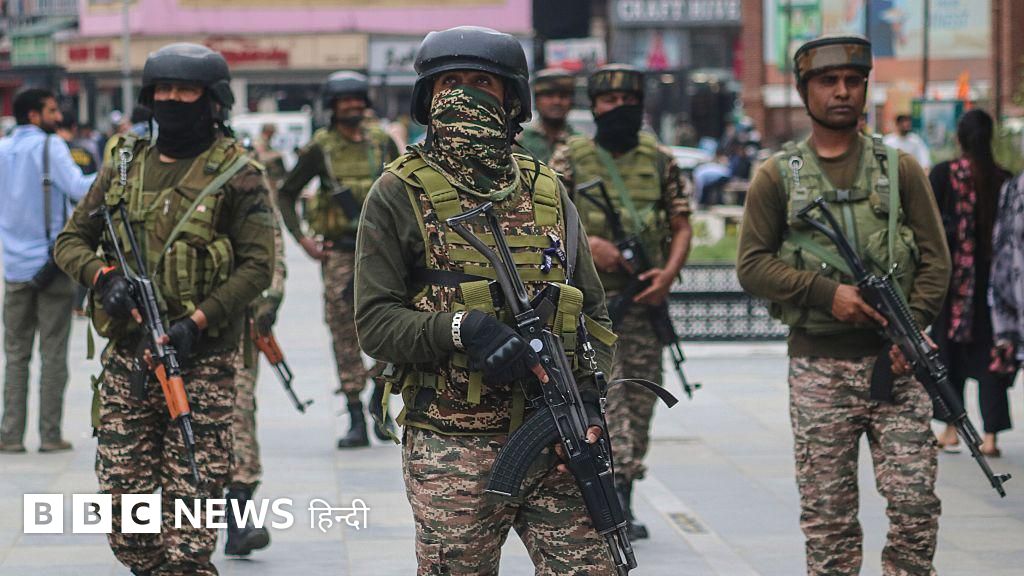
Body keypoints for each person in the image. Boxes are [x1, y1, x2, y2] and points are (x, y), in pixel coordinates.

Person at [354, 26, 619, 574]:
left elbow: (593, 314)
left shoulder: (548, 189)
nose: (465, 95)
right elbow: (375, 323)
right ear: (428, 97)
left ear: (511, 99)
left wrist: (590, 402)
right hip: (452, 446)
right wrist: (460, 329)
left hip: (556, 438)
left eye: (482, 82)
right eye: (449, 82)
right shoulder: (398, 192)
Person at [54, 43, 275, 576]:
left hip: (202, 365)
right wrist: (104, 278)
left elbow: (257, 267)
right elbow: (70, 241)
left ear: (212, 100)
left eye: (186, 90)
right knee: (126, 520)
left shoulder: (238, 173)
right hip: (129, 363)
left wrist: (197, 321)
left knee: (190, 528)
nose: (172, 100)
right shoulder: (123, 164)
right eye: (163, 90)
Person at [737, 35, 950, 575]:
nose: (842, 92)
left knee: (916, 509)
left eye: (854, 81)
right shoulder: (777, 176)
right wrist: (826, 294)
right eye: (828, 81)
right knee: (828, 522)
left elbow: (937, 261)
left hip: (898, 367)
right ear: (803, 91)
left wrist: (912, 329)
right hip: (820, 370)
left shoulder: (900, 169)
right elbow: (752, 265)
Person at [548, 63, 693, 541]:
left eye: (628, 101)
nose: (619, 109)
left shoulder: (660, 160)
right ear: (594, 106)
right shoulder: (571, 157)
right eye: (609, 101)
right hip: (593, 309)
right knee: (607, 402)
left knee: (643, 399)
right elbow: (545, 222)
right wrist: (589, 246)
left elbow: (682, 224)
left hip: (644, 305)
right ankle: (614, 498)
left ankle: (626, 488)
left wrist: (667, 275)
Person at [278, 70, 400, 449]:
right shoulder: (322, 147)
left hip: (382, 252)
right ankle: (354, 414)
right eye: (343, 100)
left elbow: (405, 190)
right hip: (341, 253)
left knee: (392, 325)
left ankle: (379, 399)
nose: (351, 106)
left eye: (356, 99)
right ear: (331, 106)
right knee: (344, 331)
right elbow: (286, 193)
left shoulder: (381, 143)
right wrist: (302, 240)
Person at [0, 89, 96, 454]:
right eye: (52, 110)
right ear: (34, 115)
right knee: (53, 352)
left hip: (15, 267)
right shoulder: (50, 146)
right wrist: (113, 175)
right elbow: (78, 188)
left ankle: (11, 435)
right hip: (51, 264)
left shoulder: (3, 149)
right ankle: (50, 434)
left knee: (15, 354)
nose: (58, 116)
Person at [929, 109, 1016, 456]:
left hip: (953, 288)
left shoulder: (943, 175)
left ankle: (951, 429)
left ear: (959, 138)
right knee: (992, 358)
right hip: (995, 291)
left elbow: (928, 229)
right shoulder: (1004, 179)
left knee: (949, 356)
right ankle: (991, 437)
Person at [516, 67, 576, 163]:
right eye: (549, 95)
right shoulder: (519, 142)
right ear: (536, 101)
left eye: (563, 96)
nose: (556, 102)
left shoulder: (582, 143)